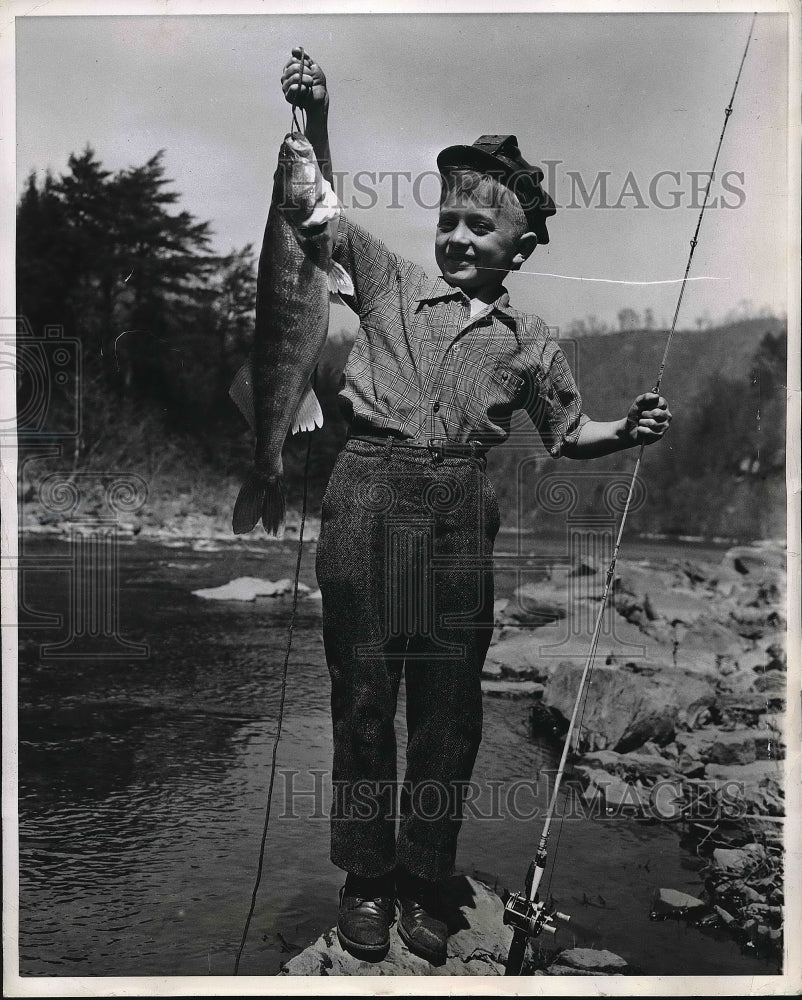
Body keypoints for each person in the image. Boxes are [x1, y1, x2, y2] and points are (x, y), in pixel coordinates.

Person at [279, 48, 672, 964]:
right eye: (448, 219)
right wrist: (318, 116)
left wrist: (632, 429)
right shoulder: (384, 280)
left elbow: (570, 434)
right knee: (365, 697)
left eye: (479, 227)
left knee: (451, 706)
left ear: (521, 247)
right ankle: (365, 881)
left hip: (461, 504)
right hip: (365, 491)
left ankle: (424, 879)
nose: (456, 237)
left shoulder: (531, 338)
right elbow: (320, 214)